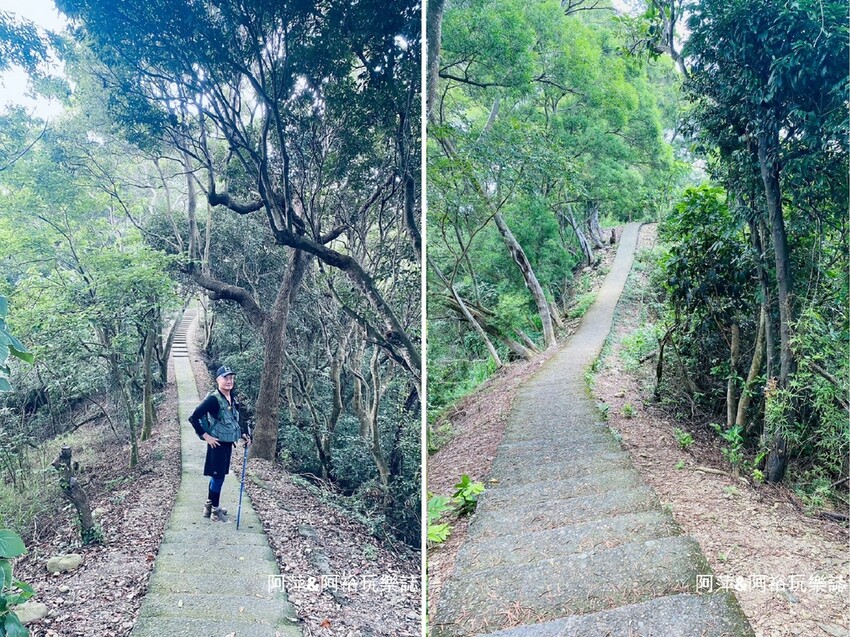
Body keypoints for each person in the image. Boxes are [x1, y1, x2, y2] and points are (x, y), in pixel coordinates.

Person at [188, 366, 251, 522]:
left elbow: (233, 419)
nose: (229, 381)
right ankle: (215, 511)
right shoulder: (213, 400)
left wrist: (243, 433)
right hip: (217, 444)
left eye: (231, 378)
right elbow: (194, 417)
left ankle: (209, 506)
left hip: (227, 443)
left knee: (218, 476)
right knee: (218, 477)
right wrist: (206, 436)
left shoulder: (231, 397)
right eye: (225, 378)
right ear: (218, 380)